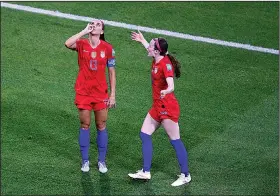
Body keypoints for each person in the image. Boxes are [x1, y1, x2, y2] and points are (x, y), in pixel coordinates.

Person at [128, 30, 191, 187]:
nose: (148, 47)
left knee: (175, 141)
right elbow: (150, 50)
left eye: (150, 45)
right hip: (157, 106)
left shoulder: (165, 65)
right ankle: (146, 171)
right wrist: (142, 40)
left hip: (167, 108)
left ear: (156, 51)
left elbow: (171, 85)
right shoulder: (157, 58)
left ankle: (186, 175)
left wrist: (166, 90)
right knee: (144, 134)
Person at [65, 20, 116, 173]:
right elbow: (67, 43)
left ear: (102, 31)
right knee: (84, 125)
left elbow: (112, 72)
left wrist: (113, 95)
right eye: (92, 23)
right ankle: (85, 161)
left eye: (98, 25)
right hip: (83, 92)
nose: (94, 25)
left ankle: (101, 161)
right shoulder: (81, 44)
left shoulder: (108, 48)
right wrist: (83, 31)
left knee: (101, 126)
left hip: (101, 93)